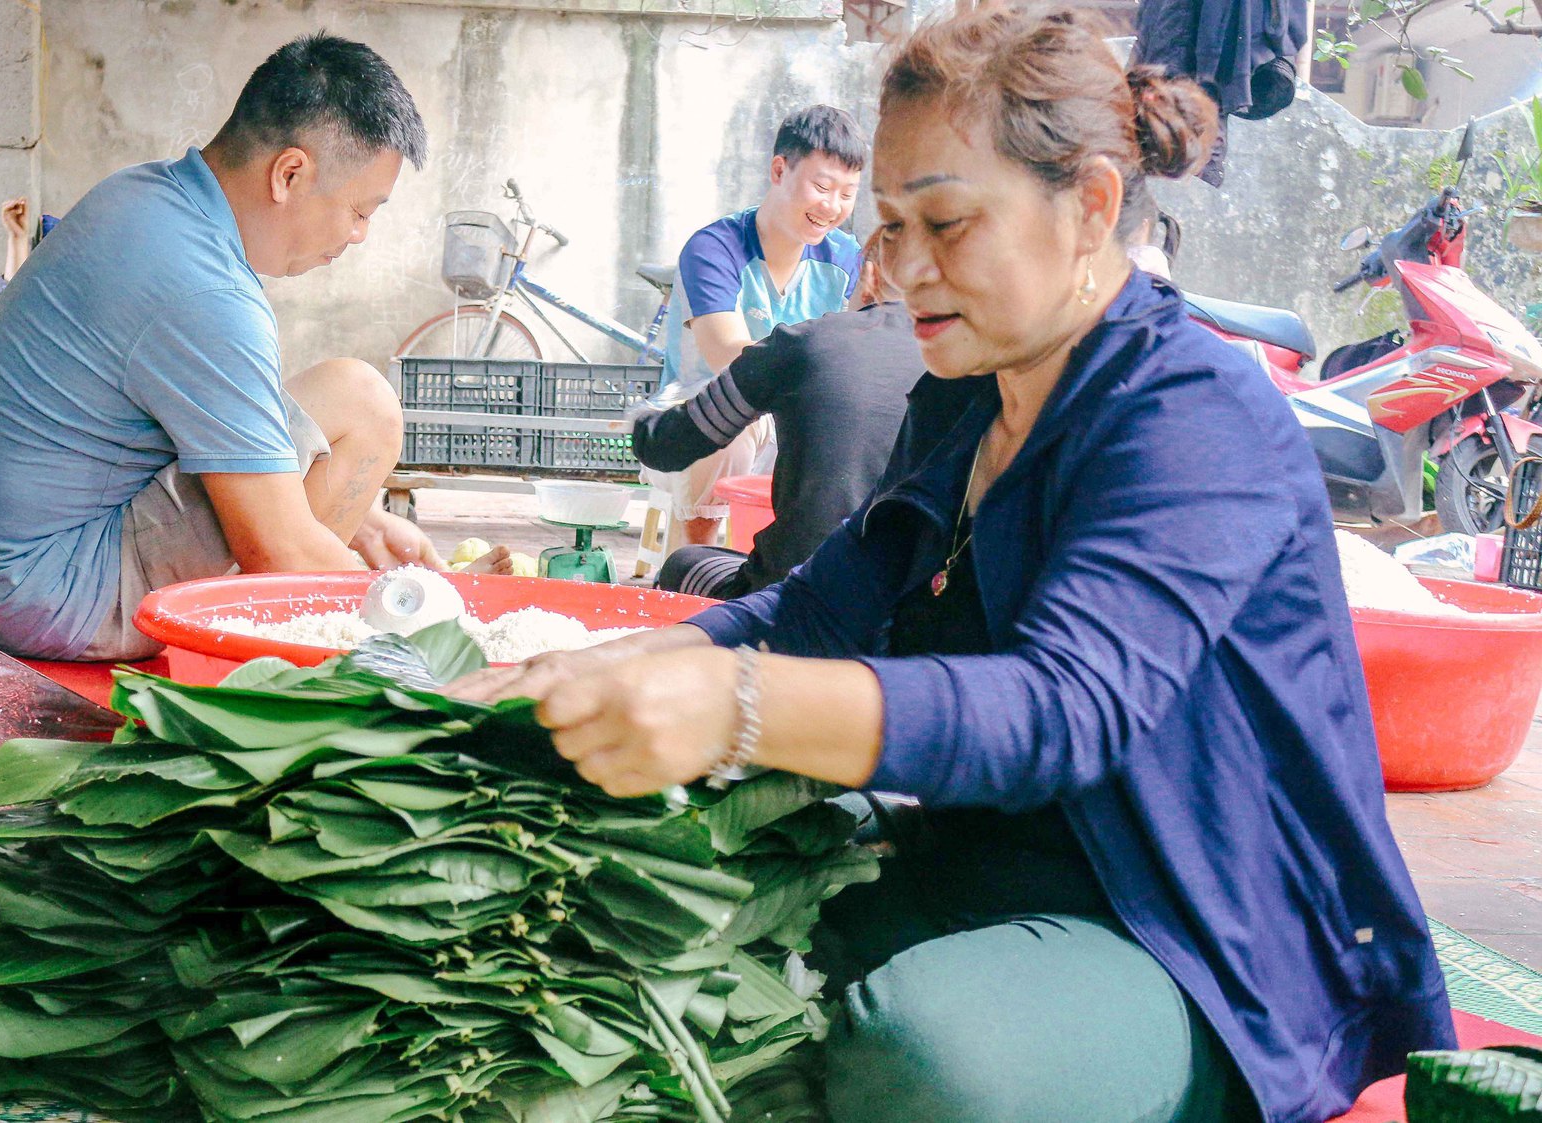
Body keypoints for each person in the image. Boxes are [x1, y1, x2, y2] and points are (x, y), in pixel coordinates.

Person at [458, 9, 1453, 1122]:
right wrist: (612, 658)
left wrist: (731, 705)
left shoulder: (1189, 414)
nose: (901, 269)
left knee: (920, 1053)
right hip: (981, 864)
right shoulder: (964, 398)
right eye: (889, 226)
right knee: (627, 894)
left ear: (1089, 205)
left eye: (946, 223)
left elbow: (1061, 708)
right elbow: (816, 610)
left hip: (1190, 935)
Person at [0, 35, 502, 663]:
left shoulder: (148, 200)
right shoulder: (204, 290)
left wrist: (370, 526)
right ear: (289, 173)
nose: (358, 235)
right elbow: (281, 550)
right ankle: (305, 648)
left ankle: (322, 614)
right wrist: (440, 619)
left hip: (16, 574)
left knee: (342, 411)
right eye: (358, 210)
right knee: (362, 403)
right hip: (61, 600)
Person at [635, 237, 920, 600]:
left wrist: (637, 422)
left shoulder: (803, 343)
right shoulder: (974, 367)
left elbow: (668, 446)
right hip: (913, 604)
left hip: (796, 595)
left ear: (869, 275)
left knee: (684, 564)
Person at [650, 105, 865, 548]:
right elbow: (727, 356)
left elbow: (860, 356)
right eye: (822, 187)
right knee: (734, 422)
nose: (833, 207)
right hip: (694, 424)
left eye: (848, 194)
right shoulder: (714, 249)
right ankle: (695, 561)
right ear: (779, 169)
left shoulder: (845, 259)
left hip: (794, 418)